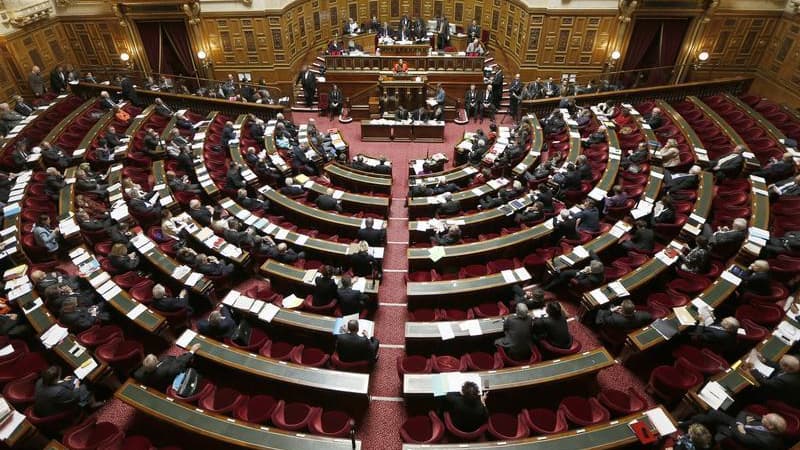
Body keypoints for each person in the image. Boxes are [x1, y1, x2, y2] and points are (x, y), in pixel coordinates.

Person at [681, 410, 786, 449]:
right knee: (713, 414)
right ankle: (688, 423)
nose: (763, 415)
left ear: (771, 427)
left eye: (766, 418)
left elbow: (741, 438)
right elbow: (744, 412)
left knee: (710, 419)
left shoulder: (766, 441)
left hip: (732, 437)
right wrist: (740, 424)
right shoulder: (767, 423)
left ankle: (683, 425)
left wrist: (739, 425)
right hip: (736, 425)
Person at [34, 366, 99, 417]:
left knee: (71, 378)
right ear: (55, 379)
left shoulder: (40, 381)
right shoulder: (59, 392)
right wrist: (77, 385)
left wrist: (63, 380)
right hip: (53, 412)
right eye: (59, 376)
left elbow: (51, 384)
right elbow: (75, 397)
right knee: (86, 386)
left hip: (45, 405)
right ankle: (92, 404)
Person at [134, 343, 201, 391]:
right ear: (156, 362)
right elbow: (180, 362)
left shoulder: (139, 374)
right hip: (169, 382)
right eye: (156, 358)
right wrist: (192, 351)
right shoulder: (166, 369)